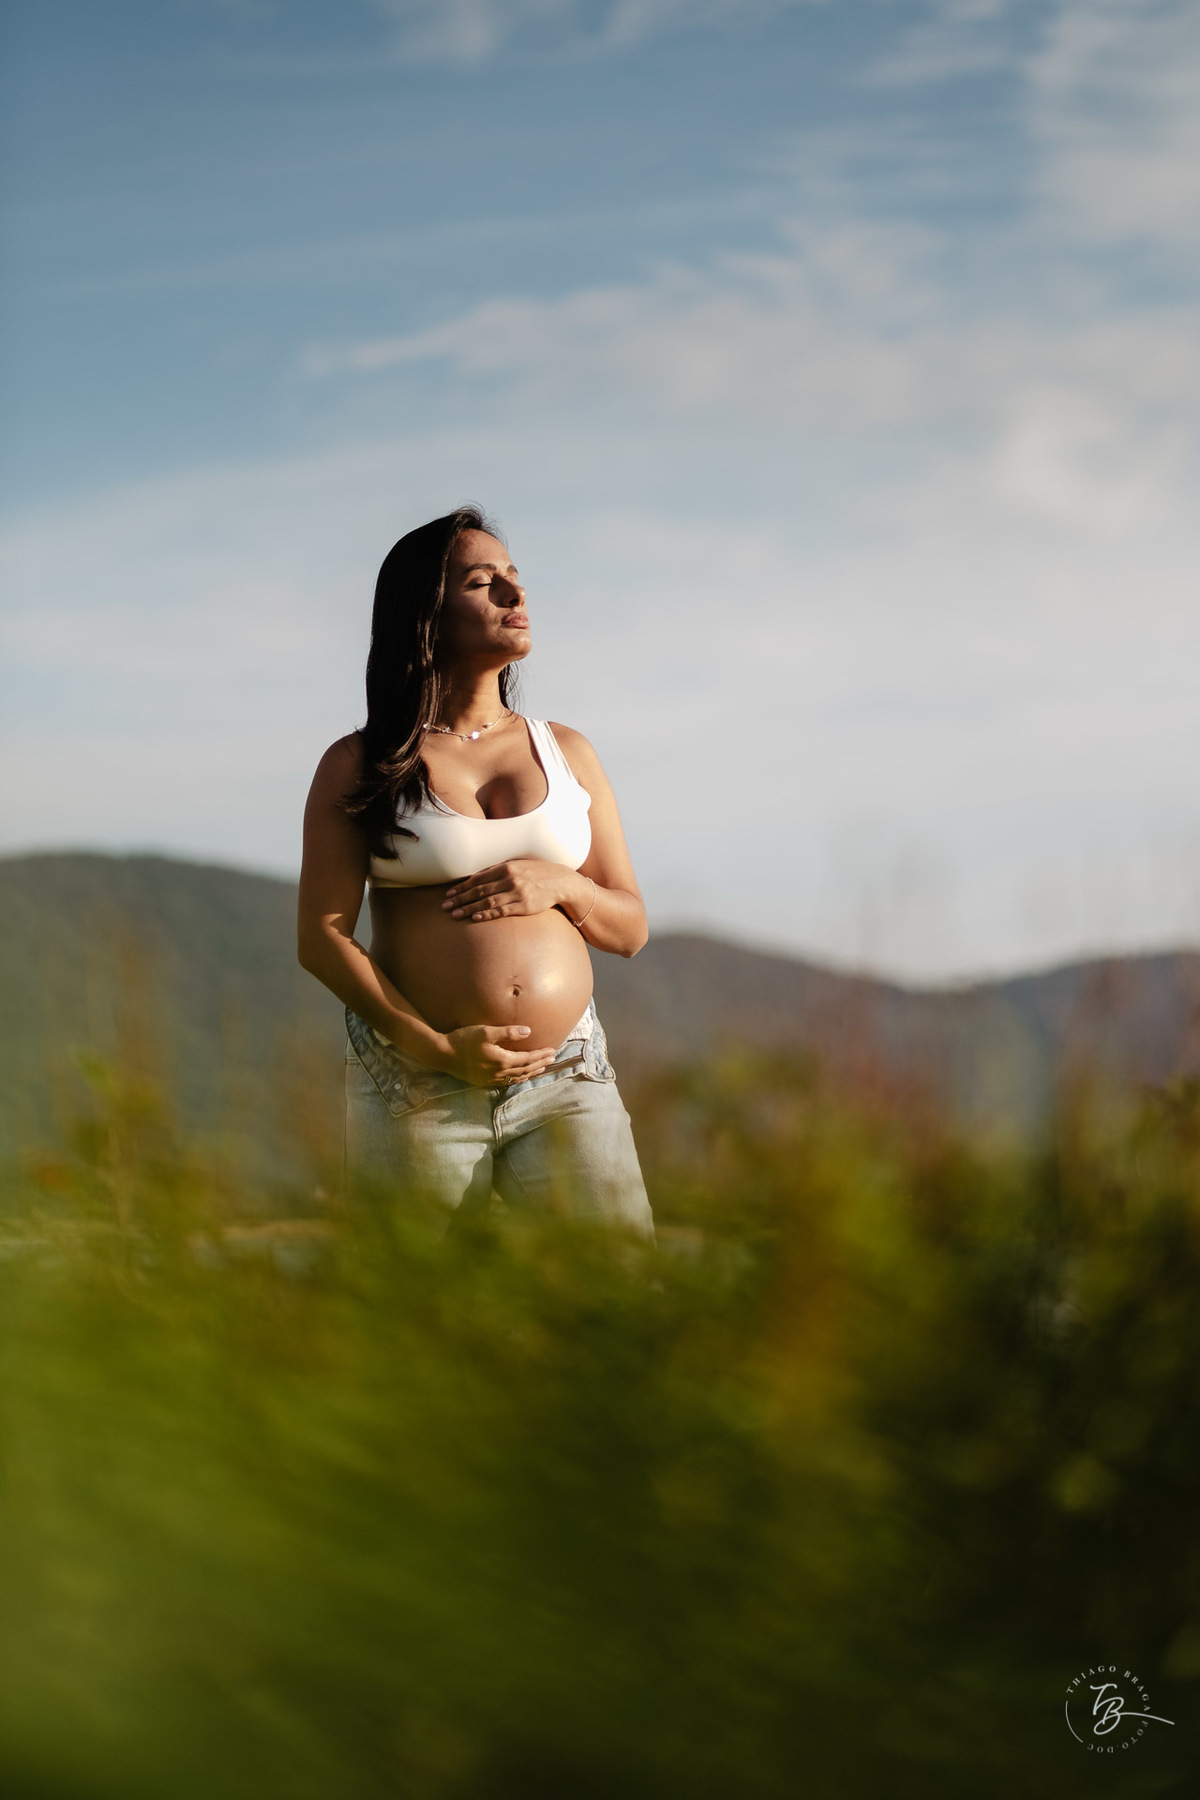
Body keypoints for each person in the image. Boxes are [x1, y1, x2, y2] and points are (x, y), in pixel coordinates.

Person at [297, 505, 655, 1238]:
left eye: (514, 577)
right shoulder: (361, 762)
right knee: (419, 1302)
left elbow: (630, 930)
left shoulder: (567, 751)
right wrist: (433, 1048)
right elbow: (322, 938)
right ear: (424, 614)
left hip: (567, 1074)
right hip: (420, 1080)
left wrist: (564, 884)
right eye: (482, 582)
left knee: (617, 1288)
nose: (515, 594)